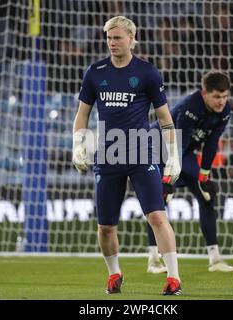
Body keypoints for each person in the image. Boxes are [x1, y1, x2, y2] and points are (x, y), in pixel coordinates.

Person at [72, 16, 183, 295]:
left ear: (132, 39)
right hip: (108, 156)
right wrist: (78, 144)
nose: (112, 43)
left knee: (157, 216)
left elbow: (165, 119)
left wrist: (173, 156)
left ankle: (173, 278)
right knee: (106, 226)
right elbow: (82, 115)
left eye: (118, 38)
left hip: (141, 152)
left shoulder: (147, 73)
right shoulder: (95, 72)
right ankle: (114, 275)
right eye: (109, 38)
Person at [146, 71, 233, 273]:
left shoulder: (224, 111)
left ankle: (215, 260)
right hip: (158, 147)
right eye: (216, 96)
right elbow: (178, 144)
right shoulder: (190, 107)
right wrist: (169, 179)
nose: (221, 101)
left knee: (207, 198)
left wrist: (204, 175)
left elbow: (212, 143)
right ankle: (154, 260)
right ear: (204, 93)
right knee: (158, 203)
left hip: (182, 152)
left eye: (224, 96)